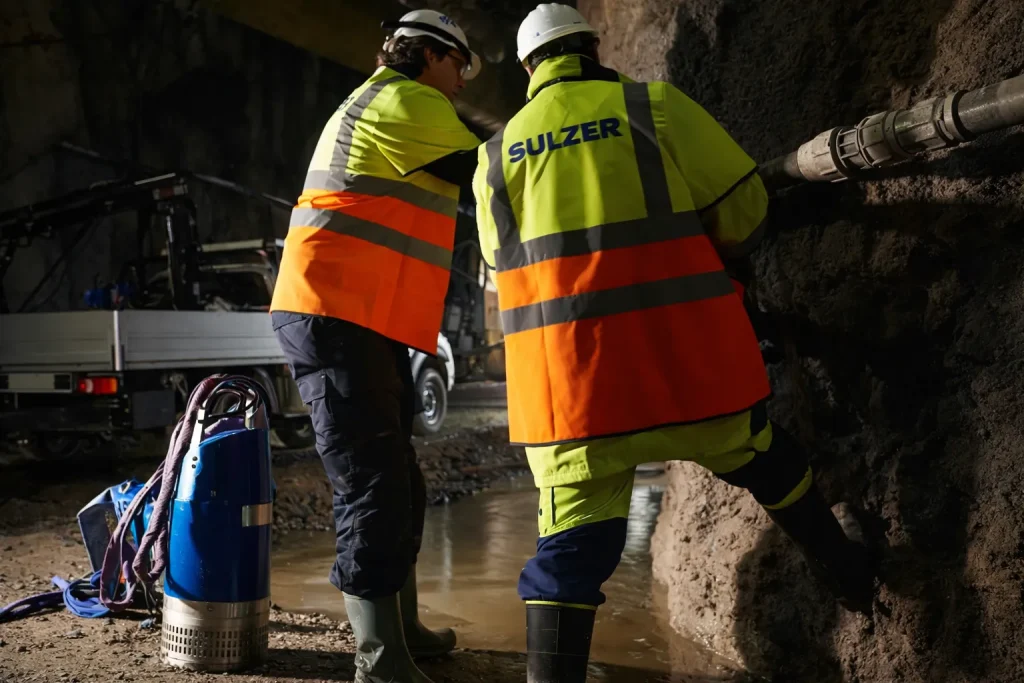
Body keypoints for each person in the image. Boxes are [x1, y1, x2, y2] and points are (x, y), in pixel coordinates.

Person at [471, 4, 878, 682]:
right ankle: (852, 578)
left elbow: (506, 265)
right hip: (688, 371)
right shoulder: (651, 107)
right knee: (768, 461)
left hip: (574, 399)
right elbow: (744, 211)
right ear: (592, 47)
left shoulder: (493, 160)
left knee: (568, 555)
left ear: (527, 68)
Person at [269, 9, 483, 683]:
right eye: (459, 65)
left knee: (399, 482)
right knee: (372, 485)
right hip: (336, 311)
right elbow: (489, 170)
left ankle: (400, 627)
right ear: (429, 55)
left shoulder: (389, 102)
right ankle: (379, 659)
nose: (461, 83)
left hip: (359, 315)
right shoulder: (405, 98)